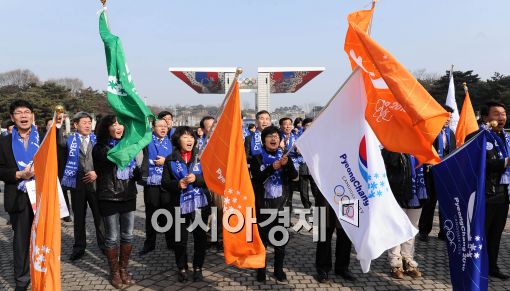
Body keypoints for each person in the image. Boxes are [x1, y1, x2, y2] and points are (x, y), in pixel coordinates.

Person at [93, 115, 138, 288]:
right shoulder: (100, 148)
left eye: (121, 124)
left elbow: (135, 172)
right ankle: (114, 273)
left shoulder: (129, 147)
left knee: (128, 235)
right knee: (111, 237)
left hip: (128, 195)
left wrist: (138, 171)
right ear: (106, 128)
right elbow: (115, 158)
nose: (118, 127)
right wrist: (132, 146)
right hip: (108, 196)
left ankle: (123, 269)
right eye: (114, 124)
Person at [467, 101, 510, 280]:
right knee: (480, 234)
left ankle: (492, 266)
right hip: (484, 195)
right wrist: (506, 162)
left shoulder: (506, 138)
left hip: (503, 195)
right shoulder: (476, 137)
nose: (501, 118)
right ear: (485, 118)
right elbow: (478, 165)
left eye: (503, 114)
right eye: (496, 114)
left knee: (495, 235)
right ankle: (474, 267)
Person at [162, 126, 211, 282]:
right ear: (177, 140)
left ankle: (198, 267)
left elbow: (211, 179)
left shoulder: (202, 156)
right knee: (180, 239)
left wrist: (197, 179)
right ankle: (182, 267)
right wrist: (178, 185)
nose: (189, 140)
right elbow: (165, 183)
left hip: (200, 204)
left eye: (191, 137)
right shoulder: (170, 159)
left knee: (200, 238)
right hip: (179, 205)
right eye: (185, 137)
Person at [249, 126, 298, 282]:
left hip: (282, 205)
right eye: (270, 136)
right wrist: (271, 168)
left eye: (276, 136)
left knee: (280, 241)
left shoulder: (285, 156)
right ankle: (260, 269)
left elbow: (295, 177)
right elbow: (255, 181)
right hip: (263, 205)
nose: (274, 138)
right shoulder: (256, 158)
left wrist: (287, 164)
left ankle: (278, 270)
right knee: (262, 240)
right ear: (264, 140)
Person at [0, 100, 38, 290]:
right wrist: (17, 174)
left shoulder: (44, 140)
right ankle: (22, 281)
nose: (24, 116)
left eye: (27, 112)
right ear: (12, 117)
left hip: (41, 196)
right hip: (18, 197)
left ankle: (43, 276)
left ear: (32, 115)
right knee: (21, 243)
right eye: (19, 112)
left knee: (43, 239)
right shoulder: (4, 141)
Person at [57, 111, 106, 260]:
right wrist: (58, 124)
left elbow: (104, 160)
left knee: (99, 215)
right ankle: (79, 247)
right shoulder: (69, 140)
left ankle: (103, 244)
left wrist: (96, 172)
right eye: (83, 122)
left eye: (89, 123)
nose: (87, 125)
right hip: (77, 182)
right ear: (76, 125)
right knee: (79, 216)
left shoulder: (97, 140)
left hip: (95, 181)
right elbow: (58, 142)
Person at [381, 149, 426, 279]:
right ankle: (395, 263)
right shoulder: (390, 147)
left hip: (418, 193)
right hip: (398, 194)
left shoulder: (419, 146)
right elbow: (390, 162)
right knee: (396, 228)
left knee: (412, 229)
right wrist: (398, 147)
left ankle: (408, 261)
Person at [418, 105, 456, 242]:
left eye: (450, 117)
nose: (448, 119)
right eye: (445, 116)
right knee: (429, 202)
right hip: (431, 172)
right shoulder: (429, 131)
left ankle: (444, 232)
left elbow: (453, 151)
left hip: (446, 173)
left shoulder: (451, 133)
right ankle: (424, 230)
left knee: (445, 203)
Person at [139, 119, 174, 255]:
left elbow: (176, 158)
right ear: (153, 127)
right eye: (160, 126)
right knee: (151, 213)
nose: (163, 129)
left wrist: (166, 161)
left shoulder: (171, 142)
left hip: (167, 182)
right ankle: (149, 244)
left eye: (165, 126)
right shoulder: (147, 140)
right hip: (151, 181)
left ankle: (171, 242)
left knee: (168, 212)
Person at [315, 178, 356, 283]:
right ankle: (322, 268)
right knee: (323, 234)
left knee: (345, 235)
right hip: (325, 192)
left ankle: (342, 268)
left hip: (347, 193)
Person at [46, 117, 72, 223]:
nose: (52, 127)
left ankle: (66, 214)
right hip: (47, 170)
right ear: (46, 127)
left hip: (61, 169)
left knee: (63, 192)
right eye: (49, 125)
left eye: (54, 125)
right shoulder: (41, 139)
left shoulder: (62, 139)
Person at [298, 118, 319, 207]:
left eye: (311, 125)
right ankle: (307, 206)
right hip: (302, 166)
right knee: (303, 190)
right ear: (303, 126)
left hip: (313, 167)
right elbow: (296, 150)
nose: (309, 127)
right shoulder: (298, 136)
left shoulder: (317, 136)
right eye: (307, 125)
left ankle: (318, 204)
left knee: (316, 188)